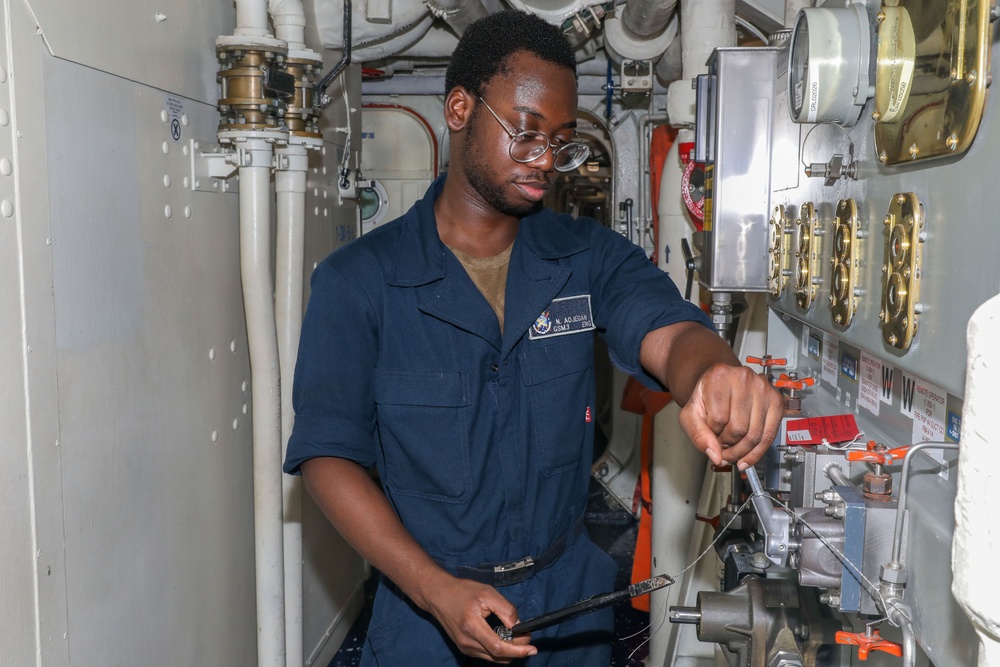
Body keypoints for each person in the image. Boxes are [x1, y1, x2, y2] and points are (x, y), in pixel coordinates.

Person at [283, 9, 783, 666]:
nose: (546, 159)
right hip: (423, 607)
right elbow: (327, 456)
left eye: (562, 140)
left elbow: (664, 328)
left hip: (564, 604)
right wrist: (435, 590)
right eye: (525, 133)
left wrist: (712, 372)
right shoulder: (358, 281)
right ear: (460, 108)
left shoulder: (588, 258)